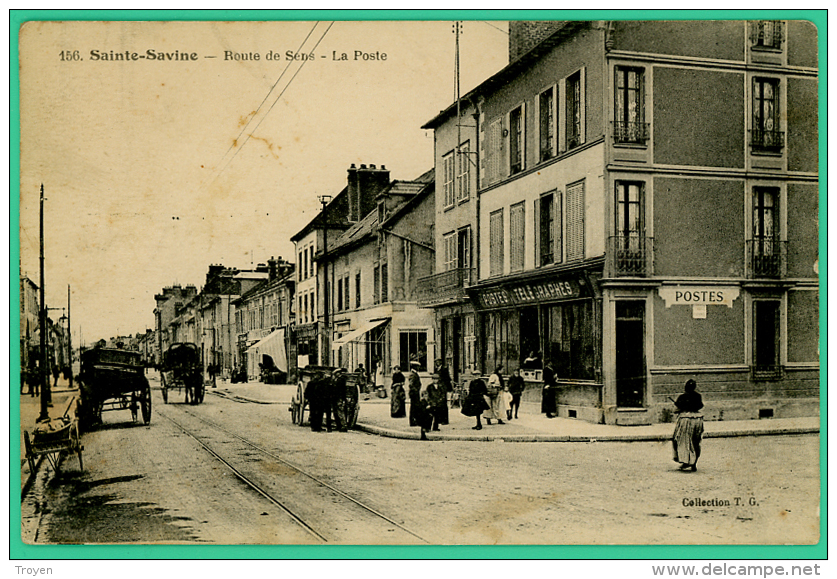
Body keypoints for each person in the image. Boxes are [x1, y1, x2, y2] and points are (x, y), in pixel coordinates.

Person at [672, 379, 704, 472]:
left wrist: (680, 407)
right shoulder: (698, 396)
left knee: (681, 441)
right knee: (695, 441)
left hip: (686, 420)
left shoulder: (682, 397)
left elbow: (676, 410)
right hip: (698, 419)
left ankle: (686, 461)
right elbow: (700, 406)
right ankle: (694, 464)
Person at [434, 359, 451, 426]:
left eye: (437, 362)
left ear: (440, 362)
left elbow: (447, 379)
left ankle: (445, 420)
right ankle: (439, 419)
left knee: (443, 404)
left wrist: (446, 388)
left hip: (443, 388)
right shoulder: (436, 369)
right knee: (439, 404)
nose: (436, 363)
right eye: (436, 362)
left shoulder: (444, 369)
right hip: (438, 388)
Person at [407, 361, 423, 428]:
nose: (418, 368)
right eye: (417, 366)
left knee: (416, 407)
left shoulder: (414, 374)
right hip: (414, 394)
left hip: (415, 393)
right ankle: (413, 421)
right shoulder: (413, 374)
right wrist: (416, 390)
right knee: (414, 407)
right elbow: (411, 385)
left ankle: (415, 420)